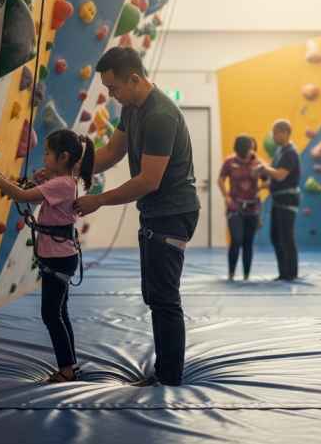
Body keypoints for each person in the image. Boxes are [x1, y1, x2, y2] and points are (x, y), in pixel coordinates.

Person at [74, 47, 200, 387]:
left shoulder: (161, 115)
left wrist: (99, 199)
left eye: (113, 88)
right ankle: (166, 370)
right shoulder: (131, 109)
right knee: (154, 294)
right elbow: (112, 152)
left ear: (134, 79)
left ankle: (169, 376)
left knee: (164, 297)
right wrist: (70, 170)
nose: (111, 95)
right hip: (156, 212)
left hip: (174, 213)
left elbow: (148, 180)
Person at [0, 129, 94, 383]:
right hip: (60, 256)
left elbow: (21, 195)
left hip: (59, 257)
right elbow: (33, 194)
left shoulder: (61, 184)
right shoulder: (63, 181)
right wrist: (40, 180)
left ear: (63, 157)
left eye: (47, 153)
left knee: (51, 314)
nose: (44, 157)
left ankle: (67, 370)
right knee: (59, 312)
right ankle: (70, 364)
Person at [259, 120, 300, 281]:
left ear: (285, 133)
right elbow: (275, 178)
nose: (273, 137)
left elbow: (280, 175)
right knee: (276, 236)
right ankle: (284, 272)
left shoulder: (290, 153)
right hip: (279, 198)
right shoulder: (280, 152)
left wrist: (264, 168)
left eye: (275, 133)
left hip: (287, 200)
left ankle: (291, 273)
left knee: (286, 236)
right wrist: (262, 184)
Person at [218, 135, 262, 281]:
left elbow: (268, 181)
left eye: (250, 149)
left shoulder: (258, 162)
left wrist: (260, 185)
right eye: (246, 149)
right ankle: (231, 273)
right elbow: (220, 179)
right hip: (235, 207)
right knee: (236, 240)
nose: (249, 152)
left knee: (248, 242)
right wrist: (227, 197)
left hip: (252, 207)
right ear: (238, 150)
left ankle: (246, 275)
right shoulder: (229, 162)